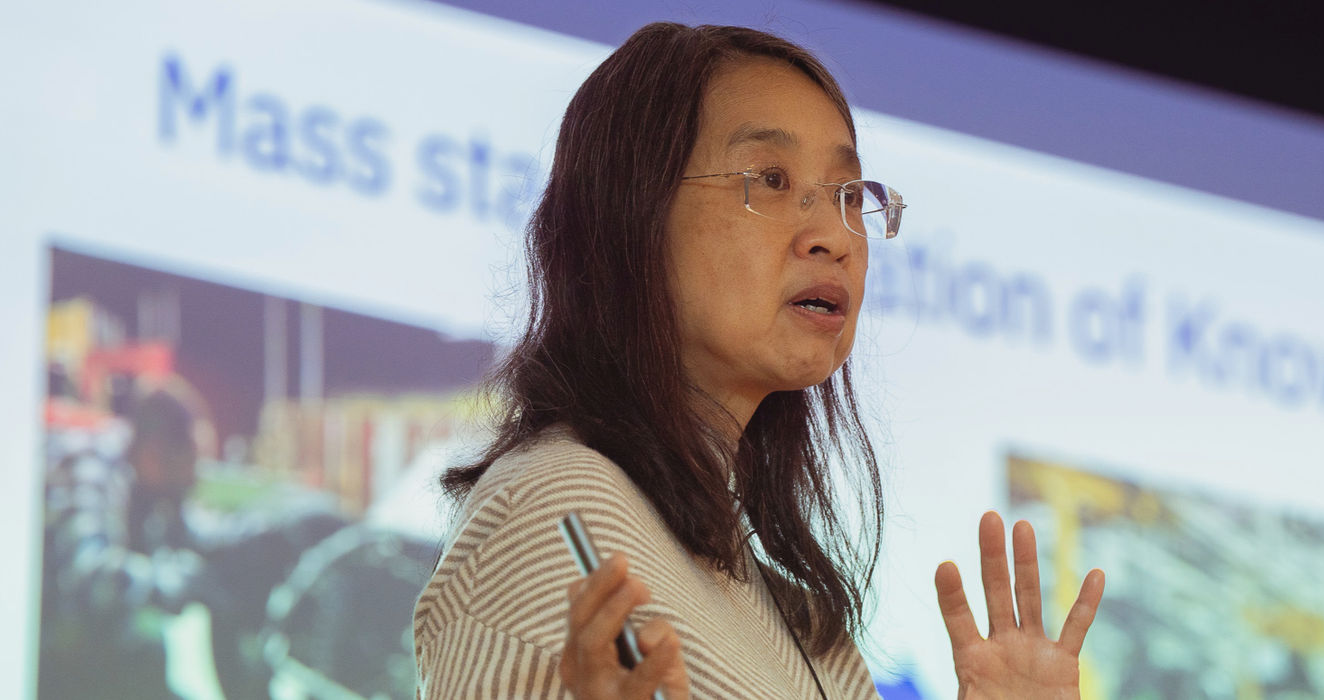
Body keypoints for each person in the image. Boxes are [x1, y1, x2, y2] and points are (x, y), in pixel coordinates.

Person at [413, 22, 1105, 699]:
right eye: (771, 178)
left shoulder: (811, 634)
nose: (835, 235)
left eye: (848, 195)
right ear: (632, 214)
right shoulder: (557, 508)